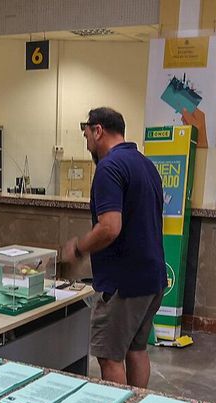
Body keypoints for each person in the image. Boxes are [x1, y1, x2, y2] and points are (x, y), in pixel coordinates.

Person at [61, 107, 166, 388]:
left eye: (86, 136)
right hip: (152, 279)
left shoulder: (109, 167)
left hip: (123, 283)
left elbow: (110, 227)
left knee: (109, 357)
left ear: (98, 131)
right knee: (136, 348)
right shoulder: (146, 165)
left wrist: (79, 248)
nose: (87, 145)